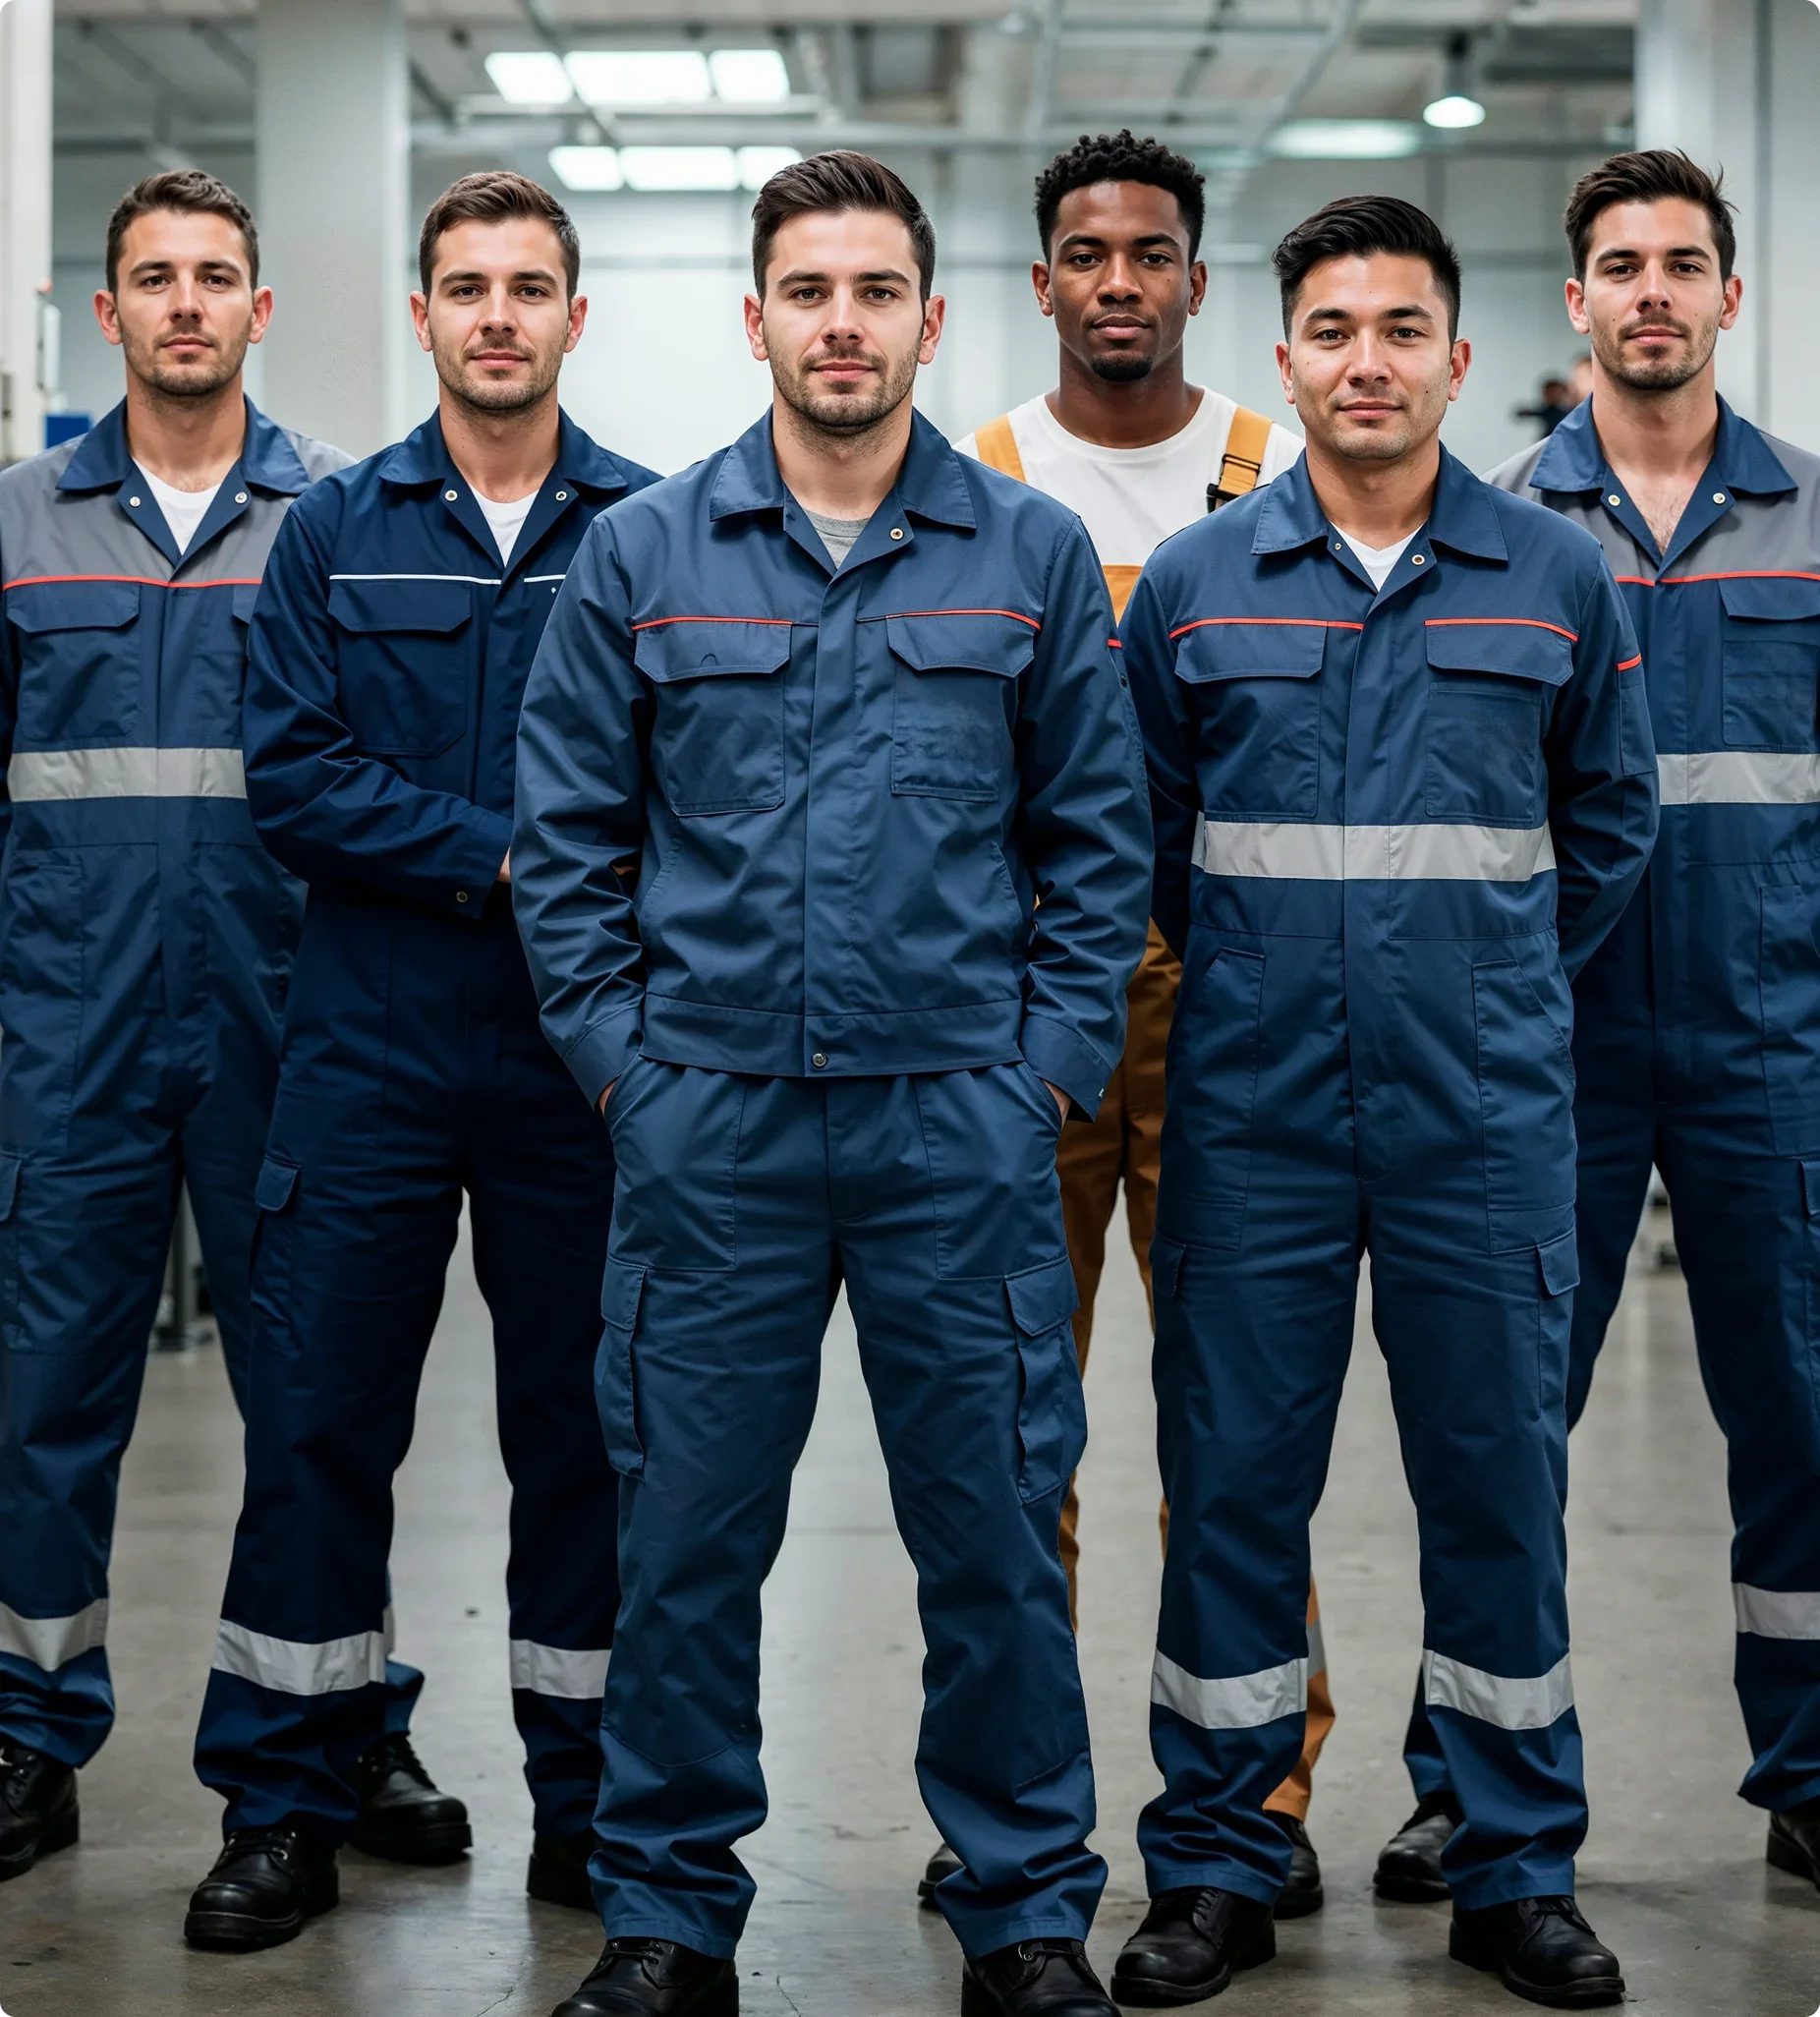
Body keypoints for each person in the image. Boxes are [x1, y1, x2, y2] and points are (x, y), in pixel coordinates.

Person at [514, 150, 1151, 2017]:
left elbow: (1097, 844)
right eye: (810, 291)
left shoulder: (1023, 553)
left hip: (956, 1121)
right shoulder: (644, 555)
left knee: (996, 1530)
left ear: (931, 322)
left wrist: (1040, 1072)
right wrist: (631, 1074)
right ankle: (667, 1918)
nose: (844, 324)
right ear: (757, 320)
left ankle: (1027, 1910)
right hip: (710, 1125)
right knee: (691, 1540)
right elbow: (567, 853)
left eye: (878, 292)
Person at [1114, 196, 1657, 2008]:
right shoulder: (1194, 588)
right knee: (1235, 1489)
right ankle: (1217, 1854)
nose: (1368, 361)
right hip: (1253, 1117)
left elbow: (1611, 827)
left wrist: (1490, 987)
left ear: (1458, 354)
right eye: (1334, 329)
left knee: (1497, 1491)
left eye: (1402, 327)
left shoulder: (1555, 575)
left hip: (1483, 1119)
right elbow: (1152, 846)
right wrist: (1276, 987)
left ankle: (1513, 1864)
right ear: (1284, 358)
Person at [184, 172, 658, 1951]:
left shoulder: (645, 533)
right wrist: (515, 854)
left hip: (578, 1057)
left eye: (531, 288)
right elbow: (289, 775)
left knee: (589, 1436)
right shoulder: (332, 530)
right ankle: (286, 1806)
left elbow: (679, 778)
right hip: (368, 1046)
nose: (498, 318)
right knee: (317, 1428)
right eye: (467, 288)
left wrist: (561, 877)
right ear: (423, 316)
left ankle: (590, 1804)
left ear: (575, 318)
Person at [1381, 147, 1820, 1909]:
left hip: (1772, 1041)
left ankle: (1807, 1764)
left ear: (1727, 294)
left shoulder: (1811, 522)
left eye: (1682, 263)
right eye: (1619, 267)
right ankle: (1456, 1780)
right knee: (1500, 1429)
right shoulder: (1494, 533)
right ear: (1573, 306)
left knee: (1796, 1413)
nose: (1651, 291)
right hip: (1541, 1053)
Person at [0, 170, 451, 1885]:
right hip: (68, 1032)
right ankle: (28, 1730)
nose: (185, 304)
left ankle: (353, 1715)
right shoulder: (20, 525)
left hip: (297, 1035)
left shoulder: (341, 520)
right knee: (46, 1404)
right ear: (106, 312)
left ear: (261, 309)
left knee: (318, 1403)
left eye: (216, 278)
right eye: (152, 279)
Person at [947, 129, 1331, 1922]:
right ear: (1042, 283)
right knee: (1018, 1415)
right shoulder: (981, 484)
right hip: (1029, 1001)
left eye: (1152, 253)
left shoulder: (1288, 472)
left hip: (1237, 1005)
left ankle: (1263, 1781)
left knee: (1235, 1417)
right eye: (1086, 253)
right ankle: (1016, 1799)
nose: (1119, 280)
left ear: (1196, 276)